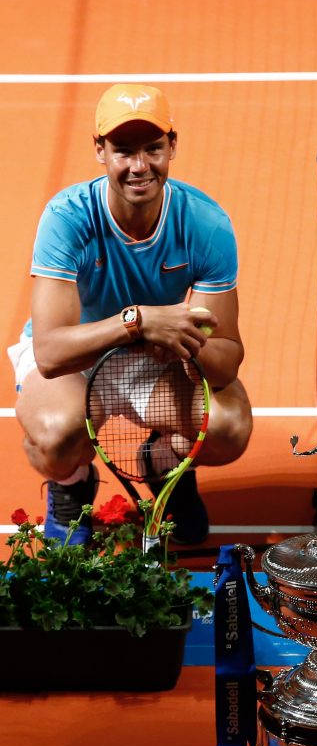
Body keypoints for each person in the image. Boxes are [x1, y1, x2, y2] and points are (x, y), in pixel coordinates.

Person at [9, 84, 252, 545]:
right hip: (79, 358)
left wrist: (188, 342)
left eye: (152, 148)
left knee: (228, 428)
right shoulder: (67, 217)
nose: (139, 166)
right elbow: (50, 353)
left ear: (172, 147)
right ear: (100, 151)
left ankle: (162, 463)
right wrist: (138, 321)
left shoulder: (206, 224)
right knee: (57, 433)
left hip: (157, 359)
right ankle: (70, 483)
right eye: (123, 150)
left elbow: (225, 362)